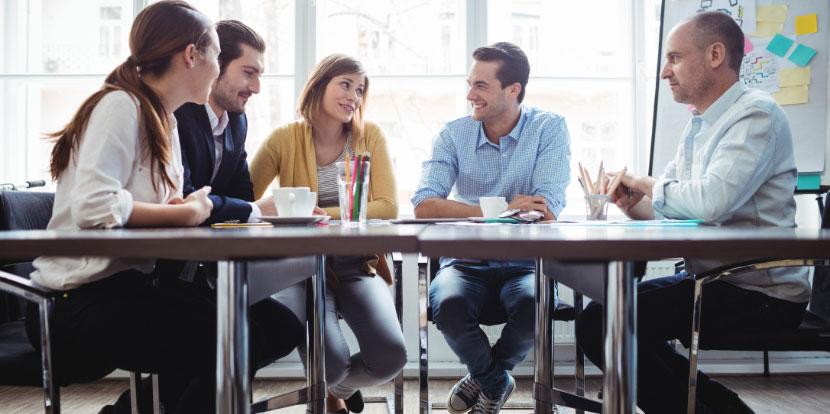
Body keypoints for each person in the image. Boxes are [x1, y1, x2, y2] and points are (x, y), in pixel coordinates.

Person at [26, 2, 303, 413]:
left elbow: (165, 204)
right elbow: (93, 205)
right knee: (231, 344)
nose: (215, 66)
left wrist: (181, 208)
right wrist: (184, 212)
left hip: (132, 287)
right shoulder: (121, 105)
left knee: (272, 328)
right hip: (75, 301)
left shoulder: (163, 120)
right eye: (213, 54)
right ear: (192, 55)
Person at [575, 12, 810, 414]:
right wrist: (636, 206)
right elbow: (680, 210)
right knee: (604, 319)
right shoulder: (700, 125)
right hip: (715, 280)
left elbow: (709, 202)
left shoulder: (756, 115)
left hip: (758, 292)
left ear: (715, 54)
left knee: (603, 325)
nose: (666, 71)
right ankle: (723, 410)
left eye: (675, 58)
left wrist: (647, 183)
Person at [411, 42, 570, 414]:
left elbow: (546, 209)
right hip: (465, 261)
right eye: (470, 84)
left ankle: (482, 377)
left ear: (513, 90)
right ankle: (497, 381)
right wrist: (499, 210)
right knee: (448, 305)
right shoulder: (453, 135)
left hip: (526, 262)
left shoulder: (548, 128)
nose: (470, 95)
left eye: (480, 86)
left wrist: (476, 211)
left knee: (536, 303)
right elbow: (424, 203)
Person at [249, 54, 406, 414]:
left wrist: (314, 214)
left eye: (360, 89)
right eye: (345, 85)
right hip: (303, 270)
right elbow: (244, 202)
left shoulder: (371, 137)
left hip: (357, 266)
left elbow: (386, 207)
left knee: (390, 357)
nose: (354, 96)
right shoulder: (283, 139)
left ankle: (336, 391)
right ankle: (332, 388)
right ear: (319, 85)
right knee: (330, 366)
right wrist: (280, 210)